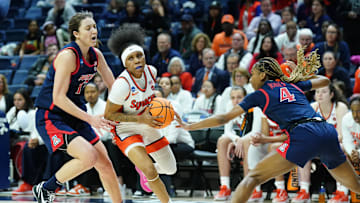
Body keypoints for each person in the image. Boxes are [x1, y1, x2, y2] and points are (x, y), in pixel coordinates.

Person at [176, 49, 360, 203]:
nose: (251, 79)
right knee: (355, 185)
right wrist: (300, 76)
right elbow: (325, 81)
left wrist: (189, 126)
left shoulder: (261, 93)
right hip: (325, 130)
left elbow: (223, 118)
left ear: (263, 75)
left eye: (253, 74)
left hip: (304, 133)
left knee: (253, 177)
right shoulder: (292, 85)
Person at [32, 12, 122, 203]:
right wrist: (91, 118)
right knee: (88, 156)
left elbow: (115, 88)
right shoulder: (67, 56)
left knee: (105, 163)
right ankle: (46, 188)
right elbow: (58, 98)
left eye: (95, 27)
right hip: (51, 115)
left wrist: (134, 107)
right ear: (76, 34)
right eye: (88, 28)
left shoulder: (96, 55)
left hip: (75, 115)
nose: (94, 31)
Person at [105, 24, 177, 203]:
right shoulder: (121, 85)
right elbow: (109, 115)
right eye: (131, 58)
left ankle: (144, 168)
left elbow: (150, 99)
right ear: (125, 63)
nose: (137, 60)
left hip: (147, 123)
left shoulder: (152, 72)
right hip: (125, 129)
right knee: (151, 171)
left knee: (170, 169)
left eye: (139, 56)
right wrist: (140, 118)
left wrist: (165, 111)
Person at [292, 83, 349, 203]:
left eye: (323, 92)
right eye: (317, 92)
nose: (320, 95)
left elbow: (341, 135)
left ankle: (342, 192)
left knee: (340, 149)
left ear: (332, 94)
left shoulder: (340, 107)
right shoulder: (312, 108)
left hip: (338, 143)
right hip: (319, 145)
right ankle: (304, 191)